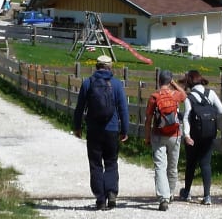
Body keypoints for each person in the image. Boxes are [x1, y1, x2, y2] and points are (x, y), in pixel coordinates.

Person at [73, 55, 130, 210]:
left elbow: (79, 108)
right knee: (111, 162)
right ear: (110, 67)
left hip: (93, 130)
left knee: (96, 164)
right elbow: (123, 109)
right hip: (112, 130)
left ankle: (100, 199)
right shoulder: (117, 84)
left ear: (96, 66)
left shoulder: (88, 83)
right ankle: (111, 193)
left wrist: (77, 127)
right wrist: (125, 130)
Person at [178, 70, 222, 206]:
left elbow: (186, 117)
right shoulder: (211, 93)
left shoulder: (189, 97)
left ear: (190, 82)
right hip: (209, 135)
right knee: (205, 164)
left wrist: (186, 135)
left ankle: (187, 192)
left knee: (191, 163)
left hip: (193, 135)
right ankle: (207, 196)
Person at [144, 69, 186, 211]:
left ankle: (164, 198)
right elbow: (185, 95)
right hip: (175, 135)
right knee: (172, 167)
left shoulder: (154, 97)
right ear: (170, 81)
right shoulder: (175, 95)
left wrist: (147, 137)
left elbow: (148, 119)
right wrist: (174, 84)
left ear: (158, 80)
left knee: (160, 167)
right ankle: (171, 193)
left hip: (158, 134)